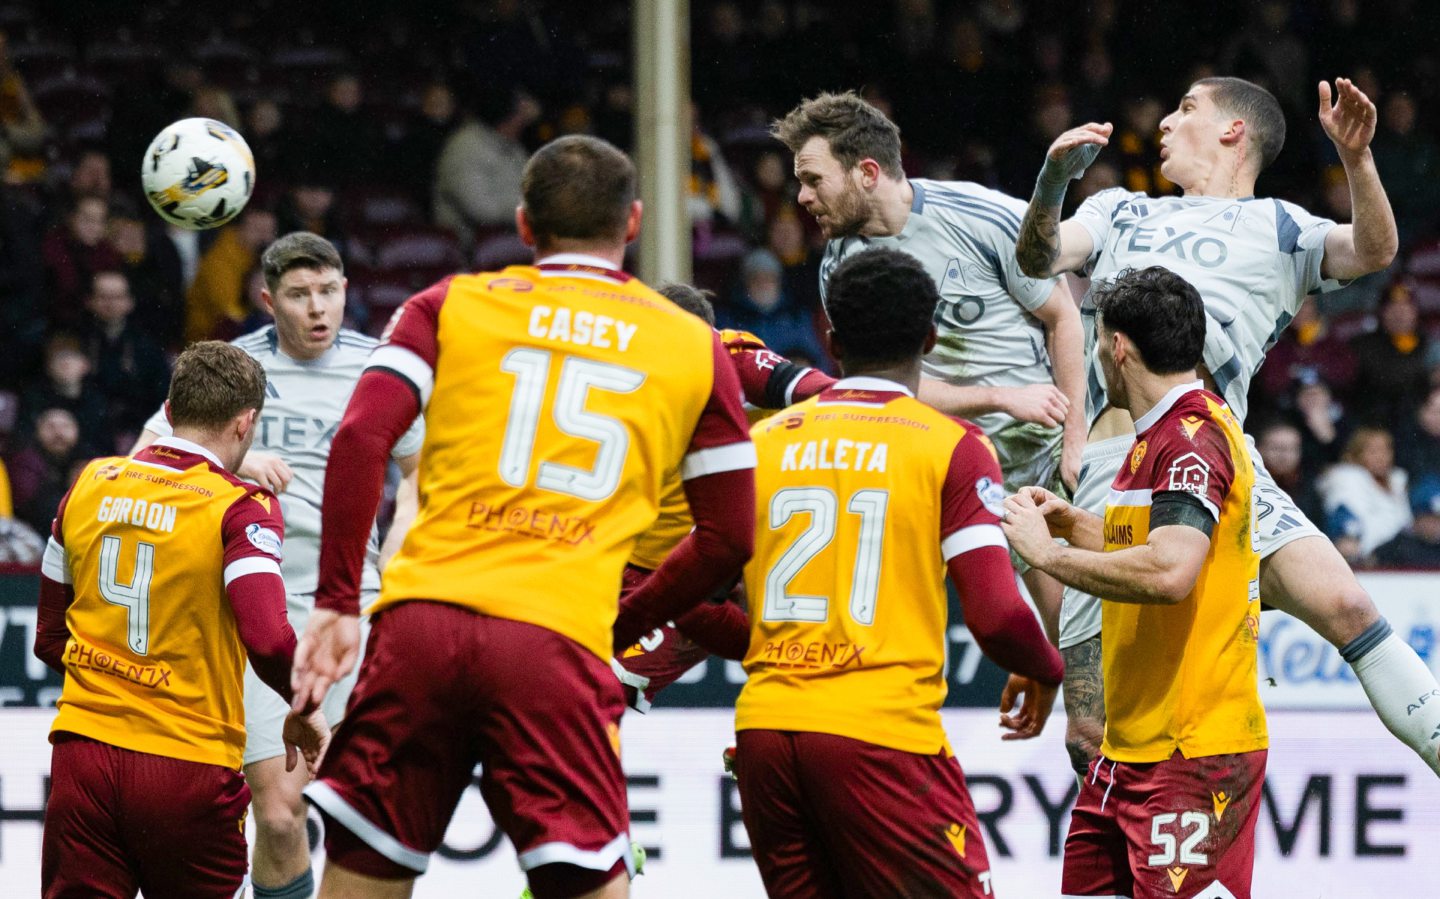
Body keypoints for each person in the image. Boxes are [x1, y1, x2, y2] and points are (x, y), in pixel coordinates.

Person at [292, 135, 756, 899]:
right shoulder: (693, 344)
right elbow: (727, 536)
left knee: (362, 876)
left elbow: (360, 434)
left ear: (524, 224)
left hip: (421, 625)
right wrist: (627, 619)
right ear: (633, 223)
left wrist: (339, 601)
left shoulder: (449, 303)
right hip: (557, 638)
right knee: (591, 883)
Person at [1014, 75, 1440, 778]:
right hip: (1112, 466)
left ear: (1233, 130)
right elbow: (1037, 256)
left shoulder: (1282, 226)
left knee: (1348, 604)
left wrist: (1358, 161)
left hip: (1215, 449)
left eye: (1185, 109)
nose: (1165, 124)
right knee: (1092, 727)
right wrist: (1053, 179)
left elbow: (1373, 251)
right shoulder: (1122, 211)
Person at [723, 247, 1063, 897]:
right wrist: (1048, 666)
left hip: (765, 735)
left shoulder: (764, 442)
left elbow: (713, 583)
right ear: (931, 339)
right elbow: (993, 614)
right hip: (878, 734)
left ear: (830, 337)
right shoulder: (952, 445)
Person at [132, 232, 423, 899]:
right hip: (263, 606)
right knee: (280, 811)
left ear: (347, 290)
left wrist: (402, 567)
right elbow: (147, 457)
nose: (318, 307)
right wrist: (223, 457)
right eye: (299, 294)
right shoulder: (234, 367)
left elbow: (419, 480)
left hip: (358, 605)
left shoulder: (383, 367)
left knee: (368, 814)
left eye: (329, 290)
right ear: (269, 300)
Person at [773, 90, 1087, 639]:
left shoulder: (982, 219)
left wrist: (1079, 433)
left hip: (1044, 453)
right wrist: (997, 396)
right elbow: (884, 387)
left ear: (867, 172)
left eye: (814, 180)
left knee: (1074, 634)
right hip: (942, 465)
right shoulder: (841, 269)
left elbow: (1063, 317)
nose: (801, 197)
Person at [1002, 266, 1265, 899]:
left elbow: (1172, 571)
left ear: (1115, 346)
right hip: (1128, 752)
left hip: (1192, 755)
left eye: (1096, 342)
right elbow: (1147, 545)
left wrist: (1048, 557)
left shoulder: (1190, 441)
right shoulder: (1156, 440)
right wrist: (1073, 526)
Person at [33, 341, 328, 898]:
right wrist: (303, 704)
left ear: (168, 412)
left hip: (83, 758)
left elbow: (50, 639)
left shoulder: (91, 483)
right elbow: (266, 636)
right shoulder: (243, 506)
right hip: (188, 764)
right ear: (246, 423)